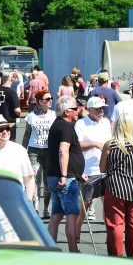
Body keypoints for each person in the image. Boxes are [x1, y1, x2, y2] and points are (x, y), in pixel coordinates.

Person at [99, 113, 133, 257]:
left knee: (115, 225)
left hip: (115, 188)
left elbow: (102, 168)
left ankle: (116, 256)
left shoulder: (110, 145)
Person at [47, 96, 86, 253]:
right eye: (75, 109)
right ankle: (73, 251)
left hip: (58, 176)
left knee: (57, 214)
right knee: (72, 214)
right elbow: (63, 151)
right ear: (66, 112)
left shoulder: (57, 125)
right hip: (64, 178)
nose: (78, 111)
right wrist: (64, 176)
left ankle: (50, 250)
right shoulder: (66, 127)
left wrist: (77, 173)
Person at [74, 96, 112, 226]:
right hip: (89, 170)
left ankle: (110, 234)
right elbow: (77, 145)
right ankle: (76, 233)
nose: (101, 111)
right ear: (89, 109)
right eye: (97, 109)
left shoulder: (106, 122)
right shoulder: (81, 124)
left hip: (106, 169)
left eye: (102, 108)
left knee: (108, 205)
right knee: (86, 204)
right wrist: (94, 144)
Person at [22, 90, 55, 218]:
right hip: (34, 151)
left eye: (51, 98)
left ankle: (46, 209)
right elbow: (27, 134)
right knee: (35, 179)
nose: (50, 101)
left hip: (48, 151)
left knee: (48, 182)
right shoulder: (31, 116)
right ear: (40, 102)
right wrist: (22, 150)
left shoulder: (53, 115)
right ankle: (35, 208)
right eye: (47, 99)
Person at [0, 75, 21, 142]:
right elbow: (17, 110)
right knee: (10, 142)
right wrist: (19, 114)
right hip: (8, 122)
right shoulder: (12, 92)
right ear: (10, 80)